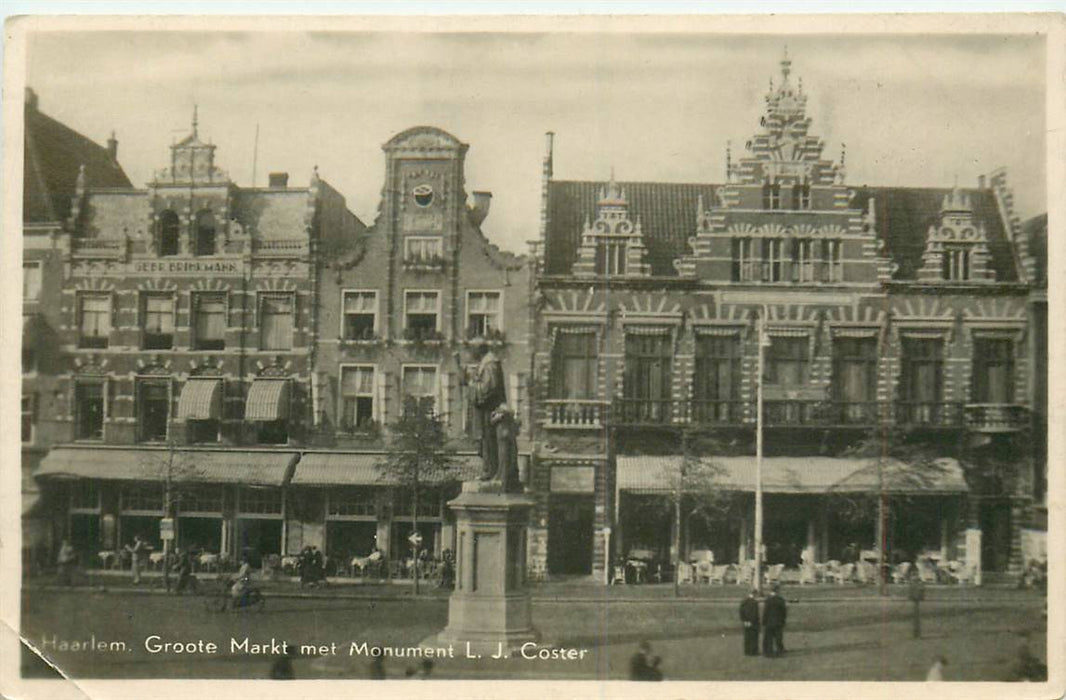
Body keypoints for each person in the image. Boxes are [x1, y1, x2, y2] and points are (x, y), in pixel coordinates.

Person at [464, 343, 506, 481]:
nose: (471, 353)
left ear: (479, 350)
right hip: (486, 410)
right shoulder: (487, 364)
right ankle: (488, 469)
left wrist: (472, 384)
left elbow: (488, 389)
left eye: (472, 350)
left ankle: (490, 471)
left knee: (489, 440)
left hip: (488, 411)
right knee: (486, 441)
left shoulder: (489, 365)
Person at [762, 583, 787, 658]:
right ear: (777, 590)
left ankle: (769, 652)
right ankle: (780, 651)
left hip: (769, 621)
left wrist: (764, 621)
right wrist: (783, 620)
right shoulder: (781, 599)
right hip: (778, 621)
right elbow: (784, 611)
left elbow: (766, 611)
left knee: (769, 637)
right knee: (778, 637)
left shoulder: (768, 599)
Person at [739, 589, 761, 656]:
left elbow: (741, 612)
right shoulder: (754, 602)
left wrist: (744, 620)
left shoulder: (744, 601)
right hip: (753, 622)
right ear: (755, 594)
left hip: (746, 621)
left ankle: (747, 651)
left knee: (747, 636)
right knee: (754, 637)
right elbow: (755, 614)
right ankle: (753, 651)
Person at [908, 568, 925, 639]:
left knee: (916, 619)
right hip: (915, 599)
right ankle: (916, 634)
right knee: (915, 619)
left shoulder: (918, 582)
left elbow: (921, 589)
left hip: (916, 600)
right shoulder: (914, 582)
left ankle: (917, 634)